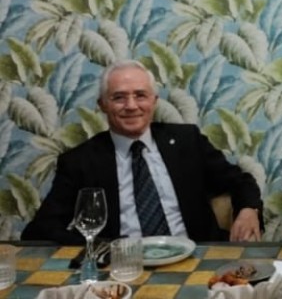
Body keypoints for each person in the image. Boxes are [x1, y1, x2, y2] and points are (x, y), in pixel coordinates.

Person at [22, 60, 262, 244]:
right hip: (121, 267)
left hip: (194, 258)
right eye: (119, 97)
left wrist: (248, 210)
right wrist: (104, 249)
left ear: (154, 101)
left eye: (140, 95)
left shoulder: (187, 141)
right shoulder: (80, 161)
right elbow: (42, 229)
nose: (131, 106)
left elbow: (241, 181)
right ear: (102, 105)